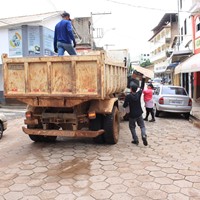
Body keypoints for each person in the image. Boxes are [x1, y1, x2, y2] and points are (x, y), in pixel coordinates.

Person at [123, 75, 148, 146]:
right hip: (139, 113)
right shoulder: (139, 94)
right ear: (136, 89)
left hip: (132, 115)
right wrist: (143, 79)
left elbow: (124, 105)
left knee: (132, 127)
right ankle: (143, 135)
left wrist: (126, 104)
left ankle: (135, 139)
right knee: (142, 126)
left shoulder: (128, 96)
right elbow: (142, 87)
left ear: (131, 89)